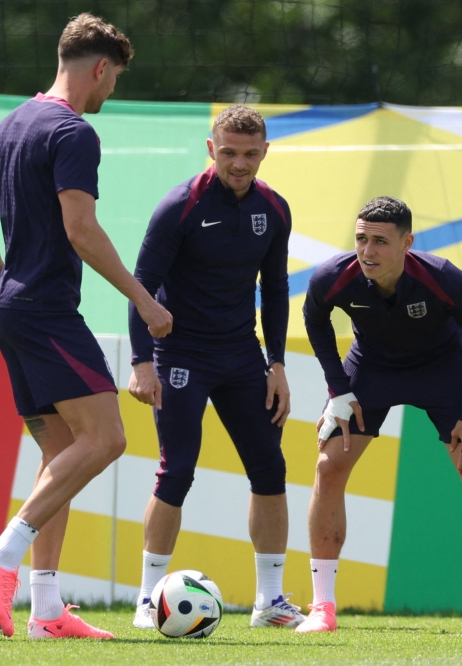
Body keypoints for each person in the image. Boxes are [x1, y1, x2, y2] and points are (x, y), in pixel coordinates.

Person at [0, 13, 172, 640]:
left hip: (12, 309)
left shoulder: (12, 123)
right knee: (106, 439)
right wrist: (145, 302)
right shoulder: (73, 132)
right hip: (46, 310)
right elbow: (81, 231)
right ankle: (1, 555)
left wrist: (4, 286)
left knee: (60, 455)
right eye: (114, 81)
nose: (111, 94)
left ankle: (46, 610)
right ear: (100, 68)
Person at [295, 196, 462, 635]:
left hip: (443, 369)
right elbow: (315, 319)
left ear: (407, 242)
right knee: (328, 465)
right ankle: (322, 607)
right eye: (361, 239)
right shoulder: (332, 278)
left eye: (379, 241)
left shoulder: (442, 277)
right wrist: (338, 388)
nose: (367, 251)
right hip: (371, 370)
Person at [126, 105, 303, 629]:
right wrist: (142, 362)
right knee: (177, 471)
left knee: (270, 469)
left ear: (265, 152)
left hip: (242, 357)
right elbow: (140, 285)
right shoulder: (180, 206)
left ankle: (269, 602)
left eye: (250, 153)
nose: (240, 163)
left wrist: (277, 363)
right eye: (229, 152)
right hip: (180, 356)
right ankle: (145, 599)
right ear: (211, 149)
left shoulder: (274, 210)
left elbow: (275, 290)